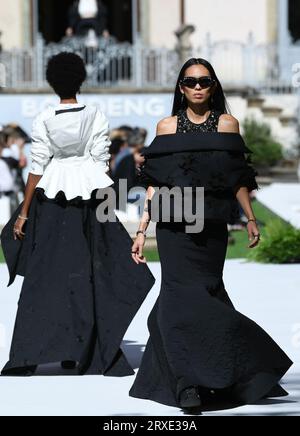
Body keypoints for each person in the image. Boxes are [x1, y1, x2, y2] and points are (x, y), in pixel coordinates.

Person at [129, 58, 293, 413]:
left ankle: (250, 370)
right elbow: (154, 183)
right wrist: (142, 230)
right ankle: (188, 384)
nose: (198, 87)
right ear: (181, 87)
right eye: (190, 81)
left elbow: (238, 177)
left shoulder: (228, 124)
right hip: (173, 224)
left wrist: (250, 218)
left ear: (214, 86)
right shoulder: (167, 126)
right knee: (175, 300)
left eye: (205, 81)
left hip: (213, 225)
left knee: (207, 296)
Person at [0, 52, 155, 377]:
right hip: (88, 200)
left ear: (52, 81)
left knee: (45, 277)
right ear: (81, 80)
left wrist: (23, 213)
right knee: (88, 274)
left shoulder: (45, 117)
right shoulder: (95, 114)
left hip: (52, 199)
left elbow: (39, 165)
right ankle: (83, 351)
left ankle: (32, 352)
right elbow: (100, 162)